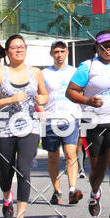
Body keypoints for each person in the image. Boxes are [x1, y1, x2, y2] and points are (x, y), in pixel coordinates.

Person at [0, 34, 48, 218]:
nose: (19, 49)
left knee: (24, 171)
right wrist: (10, 99)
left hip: (29, 127)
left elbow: (45, 95)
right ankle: (6, 196)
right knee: (5, 173)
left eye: (22, 46)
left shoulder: (36, 72)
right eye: (14, 47)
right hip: (4, 127)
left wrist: (41, 99)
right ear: (7, 51)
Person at [66, 31, 110, 218]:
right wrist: (88, 101)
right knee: (97, 168)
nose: (107, 48)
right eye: (103, 45)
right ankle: (95, 192)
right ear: (97, 47)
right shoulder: (88, 67)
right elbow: (70, 91)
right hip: (92, 122)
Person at [41, 40, 83, 206]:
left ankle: (72, 190)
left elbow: (82, 91)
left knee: (70, 153)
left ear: (67, 53)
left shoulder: (75, 72)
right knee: (52, 157)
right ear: (51, 53)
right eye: (56, 51)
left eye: (62, 51)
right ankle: (57, 191)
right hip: (50, 119)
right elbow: (40, 95)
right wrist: (41, 111)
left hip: (70, 118)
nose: (59, 55)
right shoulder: (44, 73)